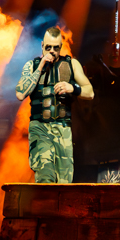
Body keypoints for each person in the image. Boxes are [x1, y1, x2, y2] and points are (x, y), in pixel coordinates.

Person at [15, 26, 94, 182]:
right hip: (40, 127)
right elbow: (20, 94)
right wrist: (40, 67)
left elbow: (90, 92)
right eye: (48, 47)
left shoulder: (71, 64)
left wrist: (73, 88)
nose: (51, 51)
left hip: (63, 128)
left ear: (61, 46)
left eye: (56, 48)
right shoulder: (32, 66)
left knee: (64, 182)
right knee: (45, 177)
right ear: (42, 45)